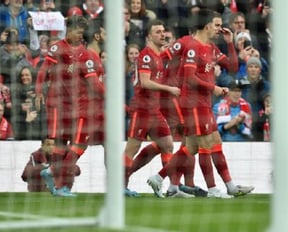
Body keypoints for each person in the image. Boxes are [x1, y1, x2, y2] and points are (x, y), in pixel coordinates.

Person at [147, 9, 254, 199]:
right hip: (191, 103)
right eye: (218, 25)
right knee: (206, 144)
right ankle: (215, 189)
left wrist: (230, 44)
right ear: (207, 25)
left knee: (194, 147)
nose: (220, 29)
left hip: (203, 102)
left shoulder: (211, 47)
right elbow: (184, 74)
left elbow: (233, 67)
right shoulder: (190, 46)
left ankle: (162, 180)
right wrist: (213, 88)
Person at [35, 15, 105, 197]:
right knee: (62, 142)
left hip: (74, 103)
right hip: (57, 101)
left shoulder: (82, 51)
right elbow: (43, 69)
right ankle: (58, 184)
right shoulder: (57, 48)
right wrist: (38, 91)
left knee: (68, 143)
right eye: (77, 32)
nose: (79, 36)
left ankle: (52, 174)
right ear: (69, 30)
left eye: (82, 33)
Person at [122, 19, 181, 196]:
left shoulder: (158, 56)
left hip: (155, 111)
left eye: (163, 31)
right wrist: (168, 89)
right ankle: (120, 186)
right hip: (142, 110)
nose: (162, 34)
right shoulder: (146, 55)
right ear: (149, 36)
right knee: (131, 149)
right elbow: (145, 83)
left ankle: (172, 187)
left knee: (167, 145)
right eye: (158, 32)